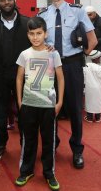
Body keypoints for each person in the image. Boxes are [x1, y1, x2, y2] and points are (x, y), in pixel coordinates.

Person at [38, 0, 97, 169]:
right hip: (50, 65)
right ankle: (52, 146)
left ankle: (77, 150)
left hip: (72, 66)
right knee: (49, 109)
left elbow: (93, 39)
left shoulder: (78, 11)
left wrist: (81, 55)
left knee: (74, 109)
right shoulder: (43, 14)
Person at [15, 17, 64, 190]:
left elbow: (60, 77)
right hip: (28, 104)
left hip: (48, 105)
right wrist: (20, 101)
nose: (35, 37)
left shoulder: (53, 53)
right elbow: (19, 78)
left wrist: (59, 101)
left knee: (48, 140)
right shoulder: (24, 54)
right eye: (32, 34)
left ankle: (49, 173)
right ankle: (26, 170)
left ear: (45, 33)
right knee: (28, 140)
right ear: (27, 34)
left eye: (39, 33)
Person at [0, 0, 30, 161]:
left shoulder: (27, 23)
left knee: (24, 112)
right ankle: (1, 144)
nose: (7, 2)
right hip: (0, 76)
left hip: (22, 75)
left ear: (15, 1)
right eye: (3, 0)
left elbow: (36, 43)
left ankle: (26, 143)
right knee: (1, 114)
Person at [83, 50, 101, 123]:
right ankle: (98, 118)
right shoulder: (100, 68)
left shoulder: (86, 66)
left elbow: (83, 77)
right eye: (99, 58)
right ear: (96, 58)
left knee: (89, 102)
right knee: (97, 102)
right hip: (97, 89)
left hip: (89, 88)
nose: (100, 59)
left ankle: (89, 118)